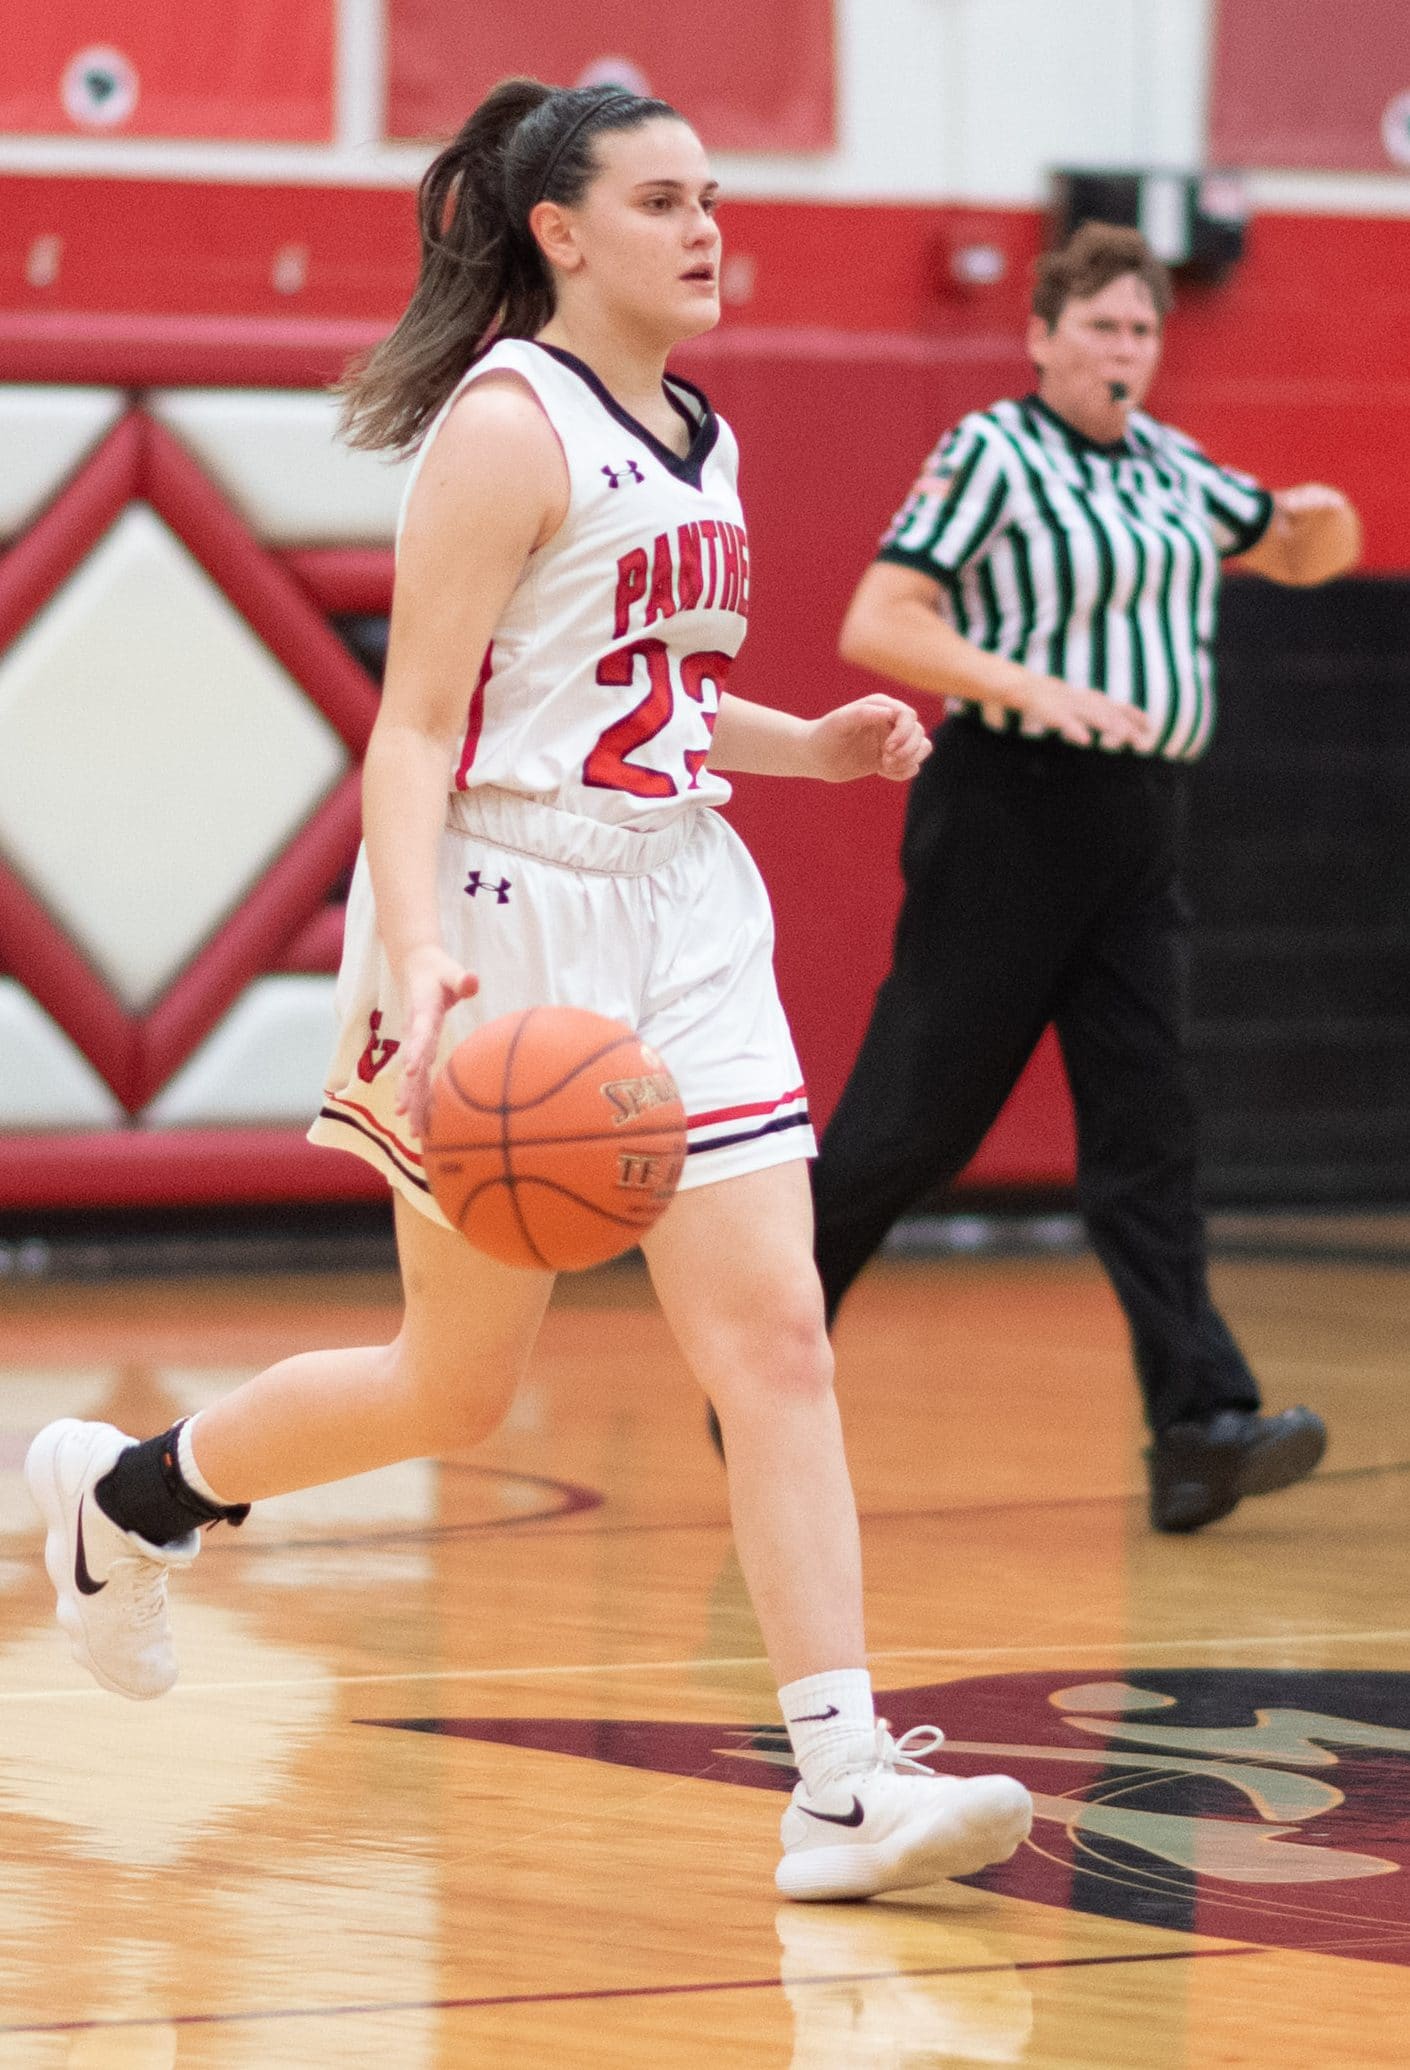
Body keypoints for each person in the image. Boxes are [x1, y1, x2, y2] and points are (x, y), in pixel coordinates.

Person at [25, 79, 1031, 1903]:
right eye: (663, 201)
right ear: (558, 231)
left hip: (687, 908)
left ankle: (838, 1777)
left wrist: (800, 741)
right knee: (455, 1387)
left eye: (714, 196)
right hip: (503, 907)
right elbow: (416, 731)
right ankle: (132, 1497)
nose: (708, 228)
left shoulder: (699, 432)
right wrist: (422, 961)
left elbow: (631, 682)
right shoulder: (505, 426)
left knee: (776, 1340)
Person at [803, 222, 1362, 1535]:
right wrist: (1026, 683)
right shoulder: (991, 451)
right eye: (1101, 326)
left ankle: (1198, 1423)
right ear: (1042, 336)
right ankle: (764, 1349)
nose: (1123, 350)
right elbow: (878, 618)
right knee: (910, 1128)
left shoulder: (1170, 464)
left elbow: (1287, 548)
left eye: (1141, 330)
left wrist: (1324, 529)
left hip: (1135, 822)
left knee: (1146, 1126)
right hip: (1008, 805)